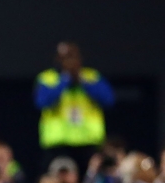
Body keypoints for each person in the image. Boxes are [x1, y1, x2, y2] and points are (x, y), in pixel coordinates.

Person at [34, 41, 115, 173]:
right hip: (58, 145)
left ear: (79, 59)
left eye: (72, 57)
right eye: (65, 58)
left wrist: (82, 81)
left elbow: (108, 100)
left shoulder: (91, 76)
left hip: (88, 143)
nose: (70, 62)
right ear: (57, 60)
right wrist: (65, 80)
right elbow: (42, 101)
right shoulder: (48, 78)